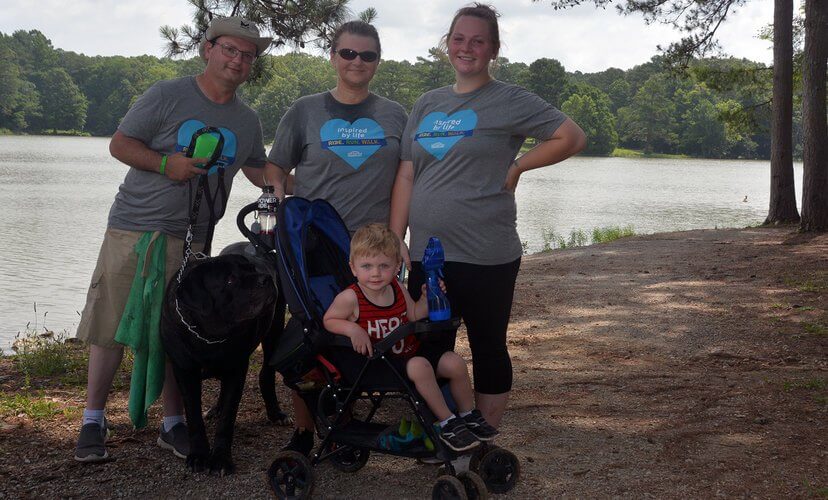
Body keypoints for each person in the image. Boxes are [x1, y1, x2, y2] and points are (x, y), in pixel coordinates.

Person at [73, 16, 281, 462]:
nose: (238, 59)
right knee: (108, 325)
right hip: (134, 226)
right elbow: (121, 143)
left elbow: (257, 168)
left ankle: (173, 423)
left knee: (181, 332)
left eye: (248, 54)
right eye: (230, 49)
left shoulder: (247, 119)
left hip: (193, 241)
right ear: (208, 49)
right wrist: (168, 165)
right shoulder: (167, 94)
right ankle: (92, 420)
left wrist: (301, 184)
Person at [390, 3, 587, 430]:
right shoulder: (426, 104)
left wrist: (518, 166)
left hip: (487, 254)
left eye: (478, 41)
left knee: (487, 346)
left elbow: (570, 136)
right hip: (428, 254)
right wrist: (395, 238)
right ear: (447, 45)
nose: (467, 48)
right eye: (459, 39)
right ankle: (442, 432)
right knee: (427, 347)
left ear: (493, 49)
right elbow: (407, 173)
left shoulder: (510, 99)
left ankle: (485, 435)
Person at [265, 20, 407, 455]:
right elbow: (276, 167)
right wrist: (277, 213)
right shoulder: (305, 110)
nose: (356, 62)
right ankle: (306, 429)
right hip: (314, 249)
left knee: (374, 330)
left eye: (367, 55)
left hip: (374, 253)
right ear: (333, 57)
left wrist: (399, 237)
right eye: (348, 53)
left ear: (377, 62)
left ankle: (347, 415)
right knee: (310, 337)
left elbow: (407, 176)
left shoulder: (396, 115)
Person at [323, 223, 498, 452]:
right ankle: (447, 422)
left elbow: (413, 314)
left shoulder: (396, 288)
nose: (375, 273)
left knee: (453, 362)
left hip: (407, 356)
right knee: (420, 365)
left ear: (397, 266)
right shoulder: (350, 298)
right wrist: (353, 329)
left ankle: (468, 415)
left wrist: (427, 298)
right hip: (377, 365)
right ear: (353, 268)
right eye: (367, 266)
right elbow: (329, 320)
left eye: (383, 266)